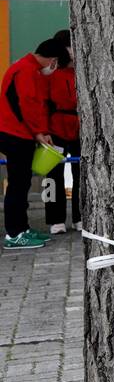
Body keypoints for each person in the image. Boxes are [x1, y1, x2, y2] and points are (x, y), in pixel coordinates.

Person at [0, 39, 61, 248]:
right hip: (15, 134)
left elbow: (36, 104)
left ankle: (23, 228)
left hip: (20, 133)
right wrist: (38, 133)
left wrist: (43, 131)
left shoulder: (29, 68)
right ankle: (14, 234)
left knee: (22, 182)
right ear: (53, 60)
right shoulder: (26, 70)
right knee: (17, 184)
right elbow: (27, 104)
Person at [44, 36, 80, 235]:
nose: (73, 51)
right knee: (52, 176)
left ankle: (80, 216)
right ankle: (55, 219)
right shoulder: (50, 74)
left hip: (78, 128)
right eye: (69, 46)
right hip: (54, 129)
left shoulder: (81, 72)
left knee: (81, 174)